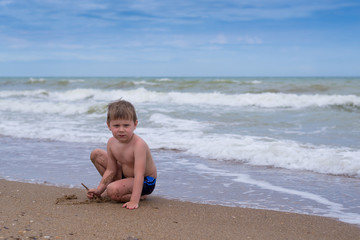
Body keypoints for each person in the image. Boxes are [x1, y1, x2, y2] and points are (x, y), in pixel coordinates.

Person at [87, 99, 157, 210]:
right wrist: (99, 190)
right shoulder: (111, 142)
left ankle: (139, 195)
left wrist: (134, 200)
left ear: (135, 124)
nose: (121, 130)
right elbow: (111, 170)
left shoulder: (138, 145)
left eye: (126, 125)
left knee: (112, 191)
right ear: (108, 125)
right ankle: (117, 188)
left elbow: (139, 174)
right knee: (96, 154)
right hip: (125, 176)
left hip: (144, 181)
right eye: (116, 126)